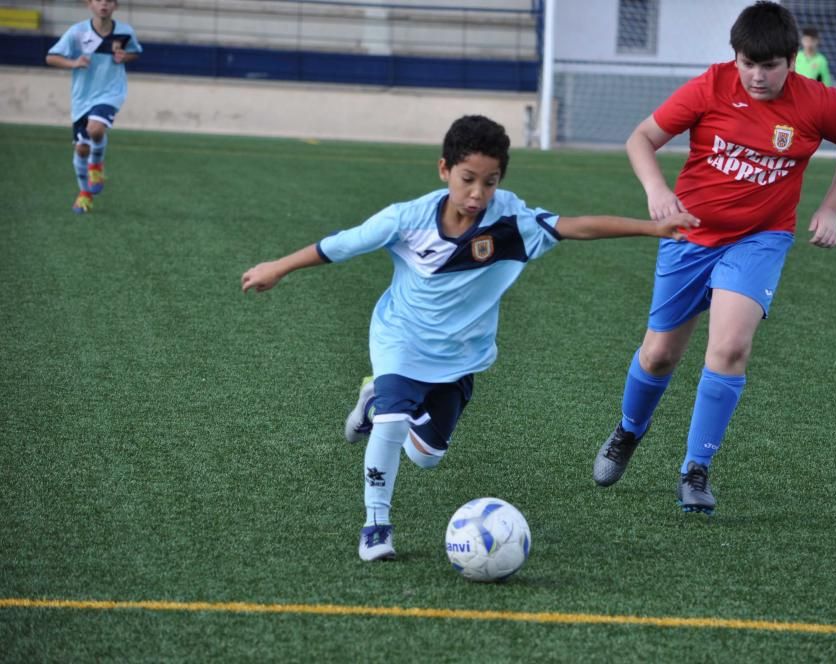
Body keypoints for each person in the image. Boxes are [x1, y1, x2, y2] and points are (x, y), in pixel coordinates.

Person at [241, 115, 699, 561]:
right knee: (393, 424)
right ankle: (375, 523)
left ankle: (374, 398)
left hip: (462, 356)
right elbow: (339, 245)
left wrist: (652, 228)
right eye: (467, 179)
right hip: (400, 339)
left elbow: (575, 226)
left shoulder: (510, 221)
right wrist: (277, 268)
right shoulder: (406, 218)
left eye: (490, 181)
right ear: (444, 170)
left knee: (426, 457)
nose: (478, 194)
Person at [591, 1, 836, 515]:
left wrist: (830, 208)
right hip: (689, 235)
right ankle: (629, 432)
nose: (757, 76)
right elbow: (642, 138)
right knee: (658, 356)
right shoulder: (710, 86)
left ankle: (695, 470)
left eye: (769, 66)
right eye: (747, 63)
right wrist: (657, 191)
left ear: (792, 60)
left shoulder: (819, 102)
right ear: (734, 57)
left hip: (760, 239)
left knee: (729, 350)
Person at [46, 0, 142, 214]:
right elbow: (51, 57)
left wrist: (126, 56)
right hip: (82, 98)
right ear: (89, 4)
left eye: (109, 1)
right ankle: (84, 193)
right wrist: (73, 63)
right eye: (99, 0)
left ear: (115, 6)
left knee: (95, 129)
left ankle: (96, 166)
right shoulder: (77, 32)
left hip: (111, 92)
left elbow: (135, 52)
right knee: (81, 148)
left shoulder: (125, 32)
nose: (104, 5)